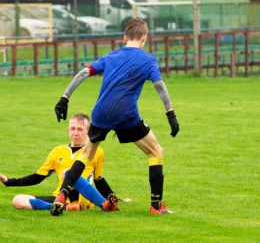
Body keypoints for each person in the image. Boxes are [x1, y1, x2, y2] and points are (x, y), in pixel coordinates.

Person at [52, 17, 179, 216]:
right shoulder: (148, 60)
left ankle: (63, 193)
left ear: (124, 37)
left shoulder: (111, 56)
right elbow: (159, 85)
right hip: (126, 113)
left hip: (101, 111)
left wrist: (64, 98)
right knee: (156, 152)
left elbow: (84, 72)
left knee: (86, 154)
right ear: (144, 37)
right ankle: (156, 206)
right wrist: (170, 113)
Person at [0, 113, 119, 213]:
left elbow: (99, 180)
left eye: (80, 129)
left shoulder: (96, 152)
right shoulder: (57, 151)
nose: (75, 133)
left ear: (88, 132)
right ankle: (67, 207)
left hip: (83, 198)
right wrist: (9, 181)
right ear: (68, 130)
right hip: (58, 197)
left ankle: (103, 204)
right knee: (17, 200)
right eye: (73, 128)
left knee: (68, 173)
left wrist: (117, 198)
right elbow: (38, 177)